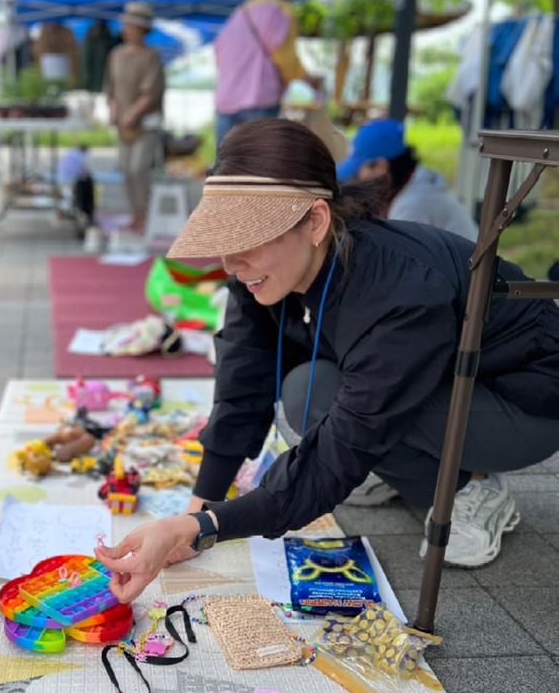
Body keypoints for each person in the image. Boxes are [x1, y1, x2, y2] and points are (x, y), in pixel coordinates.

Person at [94, 119, 559, 602]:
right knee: (306, 389)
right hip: (435, 379)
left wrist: (206, 527)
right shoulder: (265, 267)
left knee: (339, 404)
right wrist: (198, 509)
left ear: (315, 221)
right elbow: (242, 382)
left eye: (247, 237)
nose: (230, 264)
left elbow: (345, 444)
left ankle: (471, 491)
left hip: (523, 399)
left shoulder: (398, 293)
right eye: (224, 240)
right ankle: (411, 469)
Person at [214, 0, 323, 147]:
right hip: (259, 98)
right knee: (258, 163)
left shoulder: (241, 11)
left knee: (225, 164)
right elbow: (285, 57)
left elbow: (218, 50)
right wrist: (305, 79)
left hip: (226, 99)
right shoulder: (282, 9)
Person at [338, 119, 479, 243]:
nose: (356, 178)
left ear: (381, 165)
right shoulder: (415, 185)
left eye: (358, 170)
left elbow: (399, 264)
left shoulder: (412, 206)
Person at [104, 0, 165, 234]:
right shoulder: (116, 54)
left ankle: (145, 212)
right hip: (123, 125)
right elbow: (110, 88)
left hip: (146, 124)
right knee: (125, 169)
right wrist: (114, 110)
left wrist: (133, 113)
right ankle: (135, 213)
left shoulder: (151, 56)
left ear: (143, 30)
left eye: (133, 25)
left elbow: (151, 92)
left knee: (139, 168)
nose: (128, 29)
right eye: (127, 25)